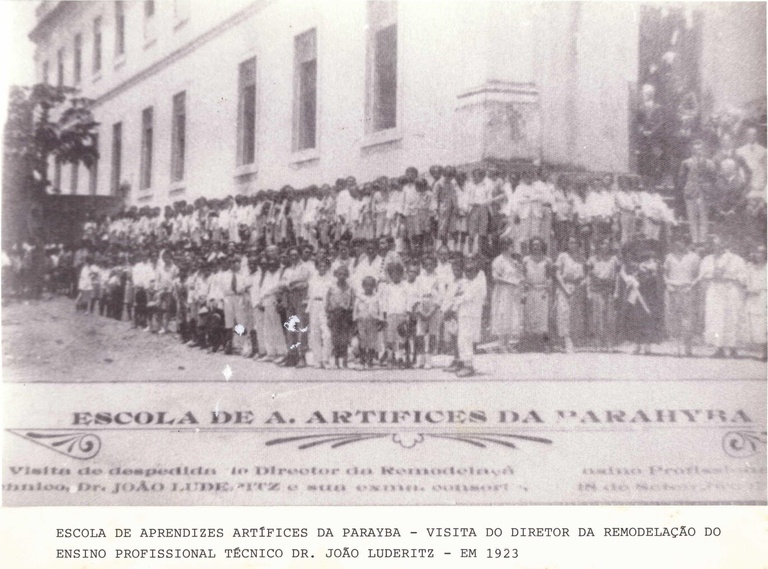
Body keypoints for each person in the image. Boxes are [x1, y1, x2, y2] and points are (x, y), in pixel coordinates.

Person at [699, 235, 747, 358]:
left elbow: (743, 277)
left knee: (732, 317)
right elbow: (702, 275)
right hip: (715, 290)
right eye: (714, 245)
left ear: (725, 245)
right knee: (716, 318)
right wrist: (712, 275)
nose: (717, 247)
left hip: (731, 290)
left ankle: (733, 347)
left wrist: (729, 276)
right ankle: (718, 347)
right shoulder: (707, 259)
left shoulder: (736, 259)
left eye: (719, 244)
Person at [620, 247, 663, 355]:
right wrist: (632, 280)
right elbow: (626, 276)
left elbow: (655, 279)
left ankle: (647, 345)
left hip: (649, 296)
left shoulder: (654, 266)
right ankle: (637, 344)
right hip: (637, 296)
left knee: (648, 319)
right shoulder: (634, 267)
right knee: (636, 319)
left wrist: (646, 277)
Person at [663, 237, 700, 357]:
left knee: (688, 319)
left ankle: (688, 348)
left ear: (685, 243)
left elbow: (698, 275)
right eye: (675, 243)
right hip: (673, 290)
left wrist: (691, 286)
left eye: (680, 243)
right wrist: (668, 284)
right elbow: (664, 273)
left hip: (687, 289)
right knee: (674, 318)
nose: (678, 245)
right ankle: (676, 347)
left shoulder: (694, 257)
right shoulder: (669, 257)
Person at [454, 256, 487, 377]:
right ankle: (464, 362)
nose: (468, 273)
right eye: (466, 270)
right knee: (461, 339)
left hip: (471, 315)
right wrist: (458, 298)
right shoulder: (463, 282)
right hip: (463, 314)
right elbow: (456, 295)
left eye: (471, 270)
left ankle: (469, 365)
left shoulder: (477, 282)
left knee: (466, 339)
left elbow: (467, 297)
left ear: (476, 271)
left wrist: (459, 298)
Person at [678, 139, 715, 245]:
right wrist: (686, 188)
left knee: (703, 216)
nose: (698, 151)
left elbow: (713, 178)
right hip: (691, 191)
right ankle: (695, 239)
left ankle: (703, 239)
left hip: (704, 191)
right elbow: (681, 178)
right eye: (695, 149)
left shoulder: (709, 163)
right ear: (692, 150)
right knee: (692, 216)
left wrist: (708, 188)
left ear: (704, 149)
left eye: (700, 149)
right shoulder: (686, 163)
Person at [491, 237, 525, 353]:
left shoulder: (513, 260)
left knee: (512, 316)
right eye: (510, 246)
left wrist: (519, 275)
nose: (512, 248)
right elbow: (495, 277)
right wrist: (511, 282)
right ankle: (501, 344)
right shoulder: (498, 260)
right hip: (503, 292)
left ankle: (508, 343)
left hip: (513, 293)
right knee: (502, 315)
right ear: (505, 247)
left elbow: (518, 275)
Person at [554, 237, 586, 353]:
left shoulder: (581, 258)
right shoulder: (562, 256)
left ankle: (574, 339)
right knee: (564, 313)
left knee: (575, 314)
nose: (573, 244)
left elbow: (584, 275)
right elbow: (557, 274)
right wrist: (565, 289)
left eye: (575, 242)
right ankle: (566, 340)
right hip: (564, 287)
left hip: (577, 288)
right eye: (570, 242)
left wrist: (582, 283)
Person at [586, 239, 620, 351]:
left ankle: (609, 343)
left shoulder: (614, 259)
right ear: (598, 246)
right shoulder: (592, 259)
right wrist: (588, 291)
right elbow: (589, 276)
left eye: (606, 244)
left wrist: (616, 291)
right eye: (601, 244)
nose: (604, 246)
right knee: (597, 317)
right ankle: (597, 342)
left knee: (609, 317)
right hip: (596, 289)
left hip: (609, 289)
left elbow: (617, 276)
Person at [522, 238, 552, 352]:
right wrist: (524, 292)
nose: (536, 247)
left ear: (542, 246)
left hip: (542, 291)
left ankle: (545, 345)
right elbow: (523, 276)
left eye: (538, 245)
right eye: (533, 245)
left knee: (543, 318)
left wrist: (547, 290)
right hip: (530, 290)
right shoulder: (526, 260)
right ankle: (530, 345)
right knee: (530, 316)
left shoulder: (547, 260)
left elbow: (549, 277)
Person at [415, 255, 443, 369]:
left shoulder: (438, 277)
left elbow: (441, 295)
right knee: (420, 334)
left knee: (432, 333)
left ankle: (429, 359)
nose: (429, 266)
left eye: (431, 264)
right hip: (422, 305)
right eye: (426, 264)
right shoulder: (419, 278)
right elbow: (416, 294)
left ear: (435, 265)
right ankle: (421, 358)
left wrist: (432, 310)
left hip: (433, 306)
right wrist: (419, 310)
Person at [326, 264, 355, 368]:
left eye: (344, 274)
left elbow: (352, 302)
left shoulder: (350, 288)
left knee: (345, 338)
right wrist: (329, 315)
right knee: (336, 337)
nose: (342, 276)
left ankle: (345, 360)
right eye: (339, 274)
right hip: (335, 314)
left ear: (347, 275)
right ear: (336, 275)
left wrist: (351, 314)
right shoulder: (332, 288)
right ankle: (337, 360)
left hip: (345, 315)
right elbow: (328, 303)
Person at [306, 256, 333, 368]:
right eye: (320, 265)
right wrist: (308, 308)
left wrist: (329, 308)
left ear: (328, 266)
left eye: (324, 265)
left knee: (327, 334)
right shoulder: (313, 278)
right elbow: (309, 294)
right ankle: (317, 359)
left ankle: (326, 359)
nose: (322, 268)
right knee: (314, 333)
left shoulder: (331, 279)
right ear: (316, 267)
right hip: (314, 306)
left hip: (325, 306)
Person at [381, 262, 408, 368]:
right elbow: (384, 302)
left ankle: (400, 358)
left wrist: (407, 315)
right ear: (390, 275)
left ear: (401, 274)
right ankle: (390, 358)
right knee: (390, 338)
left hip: (401, 315)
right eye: (393, 274)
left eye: (398, 273)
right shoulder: (388, 287)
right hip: (390, 315)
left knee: (401, 338)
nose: (395, 276)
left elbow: (407, 301)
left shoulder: (404, 287)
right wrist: (384, 317)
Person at [742, 244, 767, 361]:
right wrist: (748, 289)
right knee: (758, 326)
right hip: (753, 299)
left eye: (762, 252)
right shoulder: (750, 268)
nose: (759, 255)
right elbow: (745, 281)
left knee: (765, 323)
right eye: (757, 252)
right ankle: (763, 351)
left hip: (765, 297)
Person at [353, 276, 382, 369]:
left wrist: (380, 320)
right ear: (363, 286)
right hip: (361, 320)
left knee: (372, 340)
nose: (369, 287)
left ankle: (370, 359)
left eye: (371, 285)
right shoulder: (359, 296)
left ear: (374, 286)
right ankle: (362, 359)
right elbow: (355, 309)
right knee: (362, 339)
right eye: (366, 285)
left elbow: (380, 309)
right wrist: (354, 320)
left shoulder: (376, 296)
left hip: (373, 320)